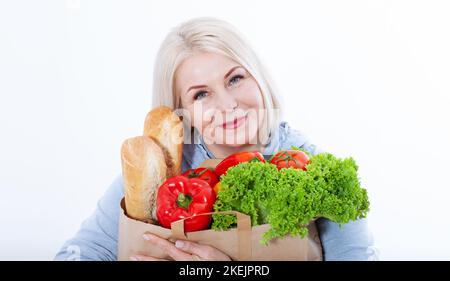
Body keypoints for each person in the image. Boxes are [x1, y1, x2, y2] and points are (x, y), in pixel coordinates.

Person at [55, 17, 378, 261]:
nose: (227, 105)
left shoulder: (315, 170)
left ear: (259, 76)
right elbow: (80, 252)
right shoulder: (160, 174)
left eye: (235, 78)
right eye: (201, 94)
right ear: (182, 111)